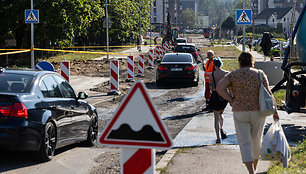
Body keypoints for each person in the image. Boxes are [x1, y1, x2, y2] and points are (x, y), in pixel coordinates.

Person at [216, 52, 279, 174]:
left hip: (240, 112)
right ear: (252, 61)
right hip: (258, 112)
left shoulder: (233, 75)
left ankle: (251, 171)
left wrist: (231, 99)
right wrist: (275, 112)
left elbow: (219, 88)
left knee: (244, 141)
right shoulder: (260, 74)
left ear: (240, 62)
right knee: (256, 140)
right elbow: (269, 94)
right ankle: (254, 169)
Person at [208, 57, 229, 144]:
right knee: (221, 113)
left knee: (216, 117)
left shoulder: (211, 74)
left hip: (215, 95)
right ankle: (222, 128)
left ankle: (217, 137)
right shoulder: (226, 73)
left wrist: (214, 88)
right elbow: (229, 86)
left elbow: (211, 87)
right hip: (224, 96)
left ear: (214, 65)